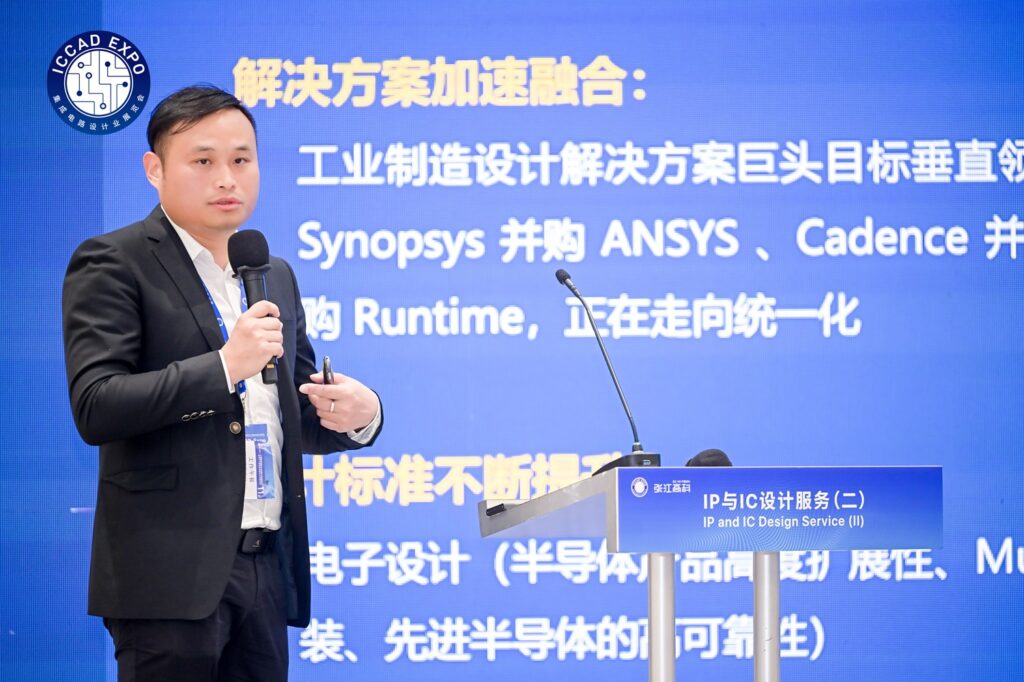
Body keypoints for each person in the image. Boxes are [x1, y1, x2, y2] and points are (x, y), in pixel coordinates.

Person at [61, 85, 382, 681]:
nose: (226, 178)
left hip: (264, 566)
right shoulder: (113, 262)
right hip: (167, 575)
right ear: (155, 169)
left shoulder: (272, 273)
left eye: (241, 159)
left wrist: (358, 416)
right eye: (203, 161)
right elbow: (97, 405)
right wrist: (225, 367)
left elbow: (295, 411)